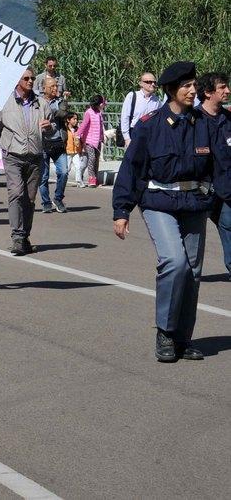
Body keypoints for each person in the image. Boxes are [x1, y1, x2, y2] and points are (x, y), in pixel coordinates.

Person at [113, 61, 213, 362]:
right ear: (171, 90)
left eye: (194, 84)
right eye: (186, 86)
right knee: (174, 262)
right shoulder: (150, 125)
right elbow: (131, 168)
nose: (192, 90)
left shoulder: (204, 123)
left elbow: (220, 164)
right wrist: (122, 210)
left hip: (194, 202)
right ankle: (166, 333)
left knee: (193, 273)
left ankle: (183, 339)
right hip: (158, 201)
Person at [0, 68, 49, 256]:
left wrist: (50, 127)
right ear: (16, 81)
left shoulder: (42, 104)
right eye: (26, 78)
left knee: (29, 199)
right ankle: (17, 237)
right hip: (13, 155)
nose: (30, 81)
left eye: (32, 78)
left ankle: (25, 236)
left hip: (35, 157)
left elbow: (51, 129)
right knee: (16, 193)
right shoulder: (4, 104)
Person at [196, 72, 231, 280]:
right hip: (200, 189)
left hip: (227, 187)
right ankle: (183, 267)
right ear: (208, 93)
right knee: (192, 230)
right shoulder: (194, 120)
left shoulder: (228, 119)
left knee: (228, 223)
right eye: (222, 88)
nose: (227, 91)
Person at [38, 77, 71, 213]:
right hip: (42, 143)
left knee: (63, 172)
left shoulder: (60, 102)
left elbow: (63, 113)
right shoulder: (37, 102)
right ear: (44, 88)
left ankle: (58, 198)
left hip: (58, 142)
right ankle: (46, 202)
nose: (55, 88)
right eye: (51, 86)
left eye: (56, 86)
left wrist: (49, 112)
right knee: (43, 176)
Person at [120, 72, 163, 148]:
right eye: (149, 82)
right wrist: (127, 139)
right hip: (134, 133)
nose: (152, 84)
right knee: (134, 159)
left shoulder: (157, 100)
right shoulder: (132, 96)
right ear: (141, 84)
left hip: (151, 134)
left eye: (154, 82)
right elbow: (125, 117)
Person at [77, 95, 107, 187]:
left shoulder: (99, 113)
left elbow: (100, 127)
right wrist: (77, 134)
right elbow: (84, 125)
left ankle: (96, 177)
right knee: (92, 158)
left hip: (98, 140)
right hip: (89, 140)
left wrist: (102, 137)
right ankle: (91, 178)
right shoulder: (88, 112)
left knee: (96, 159)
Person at [66, 112, 84, 187]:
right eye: (74, 119)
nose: (76, 121)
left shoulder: (77, 130)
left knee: (78, 166)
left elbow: (81, 139)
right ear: (68, 120)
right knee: (67, 168)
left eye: (77, 119)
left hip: (76, 151)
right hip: (67, 151)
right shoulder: (65, 130)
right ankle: (63, 180)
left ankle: (79, 181)